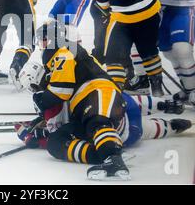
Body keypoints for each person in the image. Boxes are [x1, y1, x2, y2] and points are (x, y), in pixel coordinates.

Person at [16, 19, 191, 181]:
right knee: (57, 142)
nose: (41, 45)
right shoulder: (72, 55)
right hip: (114, 115)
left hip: (97, 96)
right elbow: (59, 119)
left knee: (98, 121)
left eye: (42, 40)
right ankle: (166, 125)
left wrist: (42, 102)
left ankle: (112, 158)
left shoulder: (62, 52)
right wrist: (39, 131)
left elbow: (61, 91)